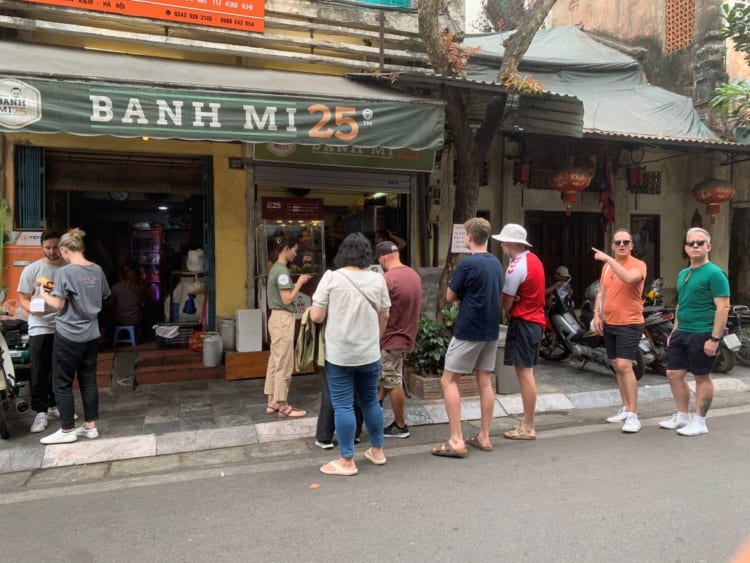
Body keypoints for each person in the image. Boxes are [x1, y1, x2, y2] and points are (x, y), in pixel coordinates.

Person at [310, 232, 390, 476]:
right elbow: (385, 314)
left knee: (343, 405)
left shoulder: (332, 278)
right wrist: (375, 340)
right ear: (368, 254)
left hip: (340, 355)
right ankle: (377, 450)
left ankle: (347, 460)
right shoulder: (378, 280)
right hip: (369, 353)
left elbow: (316, 316)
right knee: (369, 400)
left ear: (343, 253)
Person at [431, 217, 504, 457]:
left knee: (448, 380)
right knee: (485, 380)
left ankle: (456, 440)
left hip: (469, 328)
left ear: (469, 238)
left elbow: (450, 296)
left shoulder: (466, 265)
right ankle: (484, 436)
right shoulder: (495, 262)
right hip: (491, 328)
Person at [38, 228, 111, 444]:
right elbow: (105, 294)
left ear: (63, 249)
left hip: (68, 334)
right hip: (91, 334)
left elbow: (58, 304)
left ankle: (67, 430)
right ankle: (90, 426)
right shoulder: (97, 270)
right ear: (82, 247)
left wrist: (44, 293)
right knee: (88, 380)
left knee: (61, 383)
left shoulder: (65, 272)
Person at [659, 227, 730, 436]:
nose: (695, 246)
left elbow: (723, 307)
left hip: (703, 333)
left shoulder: (715, 274)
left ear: (708, 247)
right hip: (682, 332)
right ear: (686, 248)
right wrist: (674, 330)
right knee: (673, 373)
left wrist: (714, 338)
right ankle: (682, 416)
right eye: (692, 243)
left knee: (701, 376)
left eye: (700, 243)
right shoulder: (683, 273)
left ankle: (699, 421)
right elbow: (681, 304)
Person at [493, 223, 546, 440]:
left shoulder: (515, 267)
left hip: (524, 322)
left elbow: (506, 302)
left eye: (504, 242)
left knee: (524, 374)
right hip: (535, 321)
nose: (502, 246)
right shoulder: (534, 260)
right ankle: (527, 422)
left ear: (509, 244)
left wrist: (509, 303)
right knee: (527, 373)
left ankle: (528, 425)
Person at [593, 228, 647, 433]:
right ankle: (625, 407)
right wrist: (597, 315)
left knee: (625, 365)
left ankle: (633, 414)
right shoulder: (607, 267)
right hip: (610, 322)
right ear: (613, 245)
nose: (622, 245)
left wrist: (609, 258)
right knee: (616, 365)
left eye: (626, 242)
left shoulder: (638, 265)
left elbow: (628, 278)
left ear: (632, 245)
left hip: (629, 323)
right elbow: (602, 292)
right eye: (617, 242)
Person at [16, 230, 65, 433]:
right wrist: (33, 309)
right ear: (42, 247)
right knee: (39, 370)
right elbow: (22, 297)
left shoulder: (69, 269)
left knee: (60, 369)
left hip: (63, 326)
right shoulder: (33, 270)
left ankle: (56, 406)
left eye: (56, 247)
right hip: (39, 327)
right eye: (48, 247)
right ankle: (40, 412)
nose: (52, 251)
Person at [375, 240, 422, 439]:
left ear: (382, 258)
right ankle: (377, 400)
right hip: (408, 335)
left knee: (393, 380)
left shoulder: (386, 279)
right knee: (391, 373)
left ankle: (400, 425)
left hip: (391, 337)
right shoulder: (414, 275)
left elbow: (380, 312)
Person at [264, 236, 312, 418]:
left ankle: (272, 401)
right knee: (284, 362)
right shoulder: (282, 272)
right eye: (294, 249)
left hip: (275, 318)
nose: (295, 253)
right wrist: (300, 282)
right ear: (286, 248)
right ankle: (283, 405)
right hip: (283, 319)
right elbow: (287, 300)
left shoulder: (275, 269)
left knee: (275, 361)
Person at [109, 262, 144, 328]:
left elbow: (112, 304)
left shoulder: (115, 288)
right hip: (134, 320)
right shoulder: (139, 287)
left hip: (120, 320)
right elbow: (141, 303)